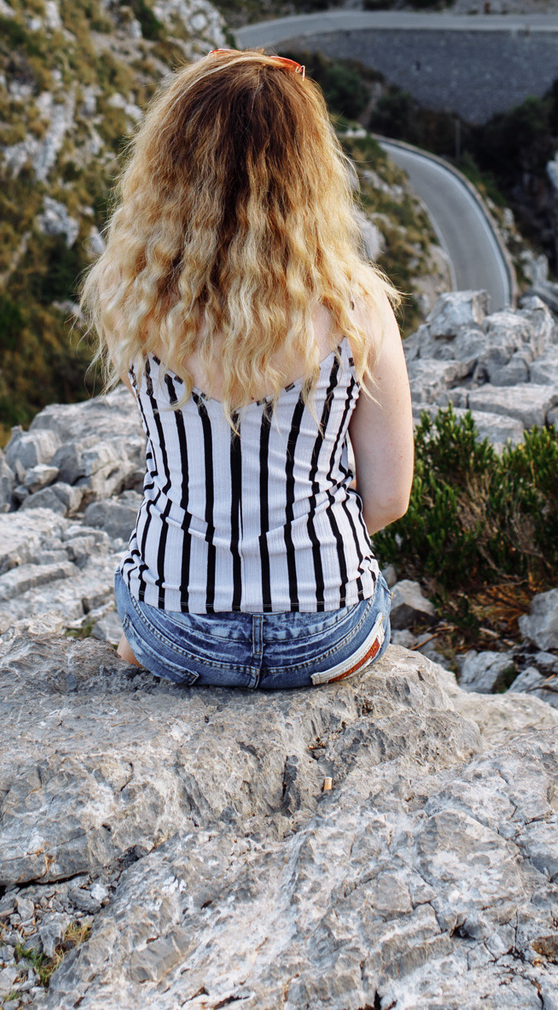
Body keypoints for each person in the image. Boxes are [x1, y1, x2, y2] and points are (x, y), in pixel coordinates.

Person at [79, 48, 414, 687]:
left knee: (145, 599)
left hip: (176, 625)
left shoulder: (134, 298)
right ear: (309, 171)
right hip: (326, 632)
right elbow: (389, 499)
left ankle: (150, 650)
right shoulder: (358, 305)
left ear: (168, 165)